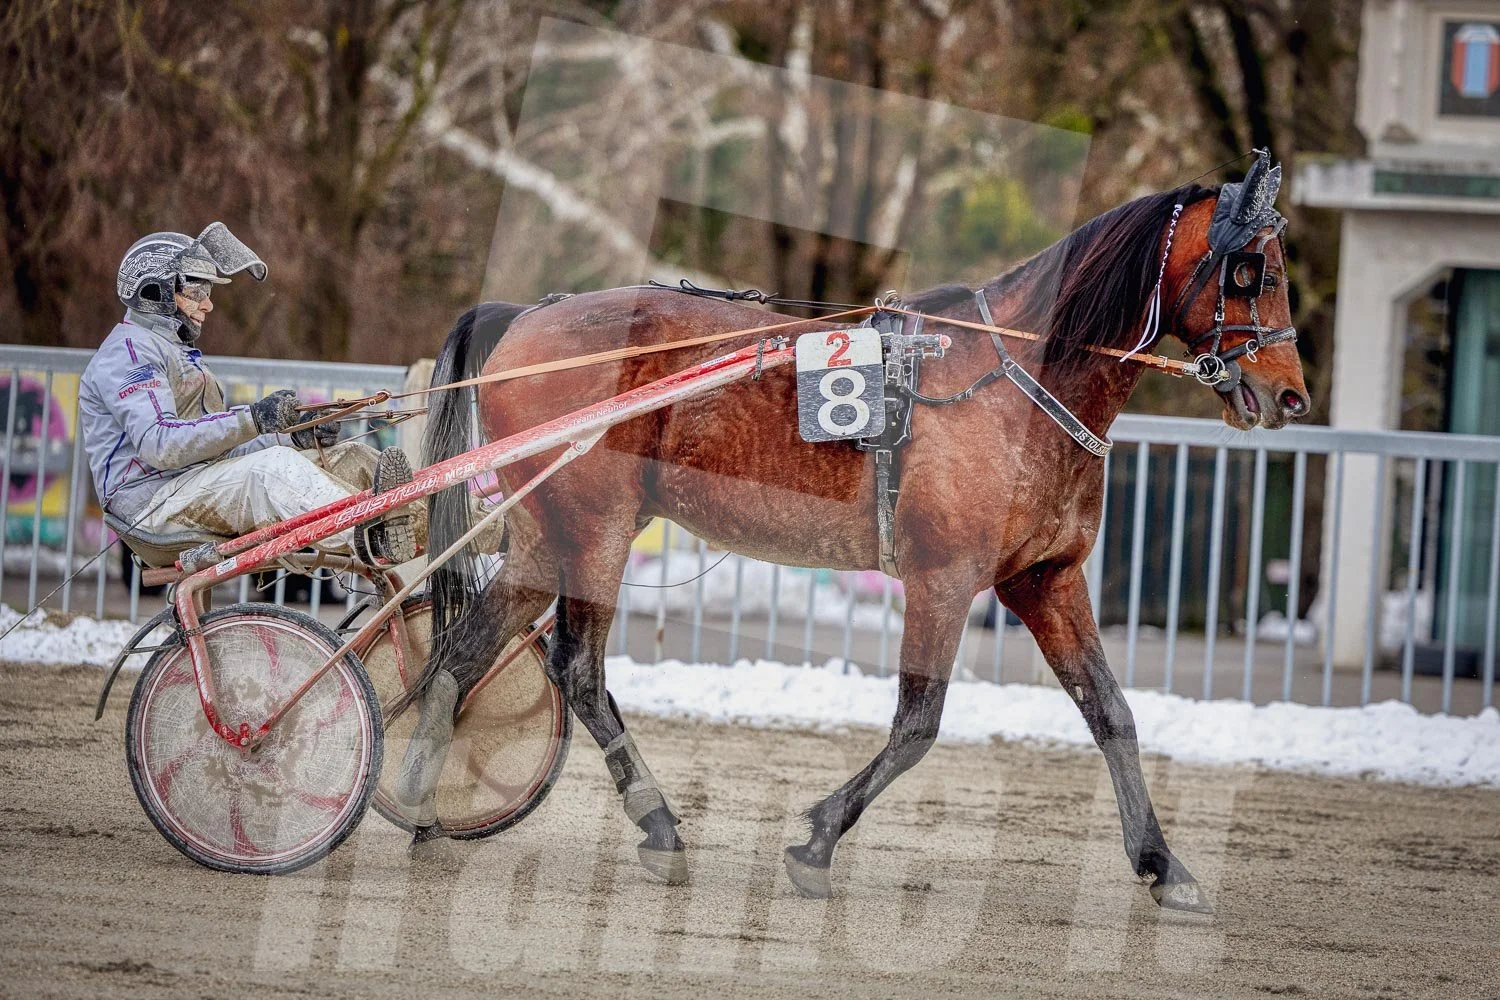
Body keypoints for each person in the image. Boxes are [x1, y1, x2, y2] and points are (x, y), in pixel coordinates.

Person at [79, 223, 418, 564]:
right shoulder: (128, 353)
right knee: (272, 469)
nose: (208, 305)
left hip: (188, 484)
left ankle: (434, 529)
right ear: (156, 292)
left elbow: (217, 452)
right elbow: (162, 445)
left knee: (349, 456)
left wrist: (293, 438)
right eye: (197, 292)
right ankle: (372, 535)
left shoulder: (171, 352)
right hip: (152, 506)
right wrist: (253, 418)